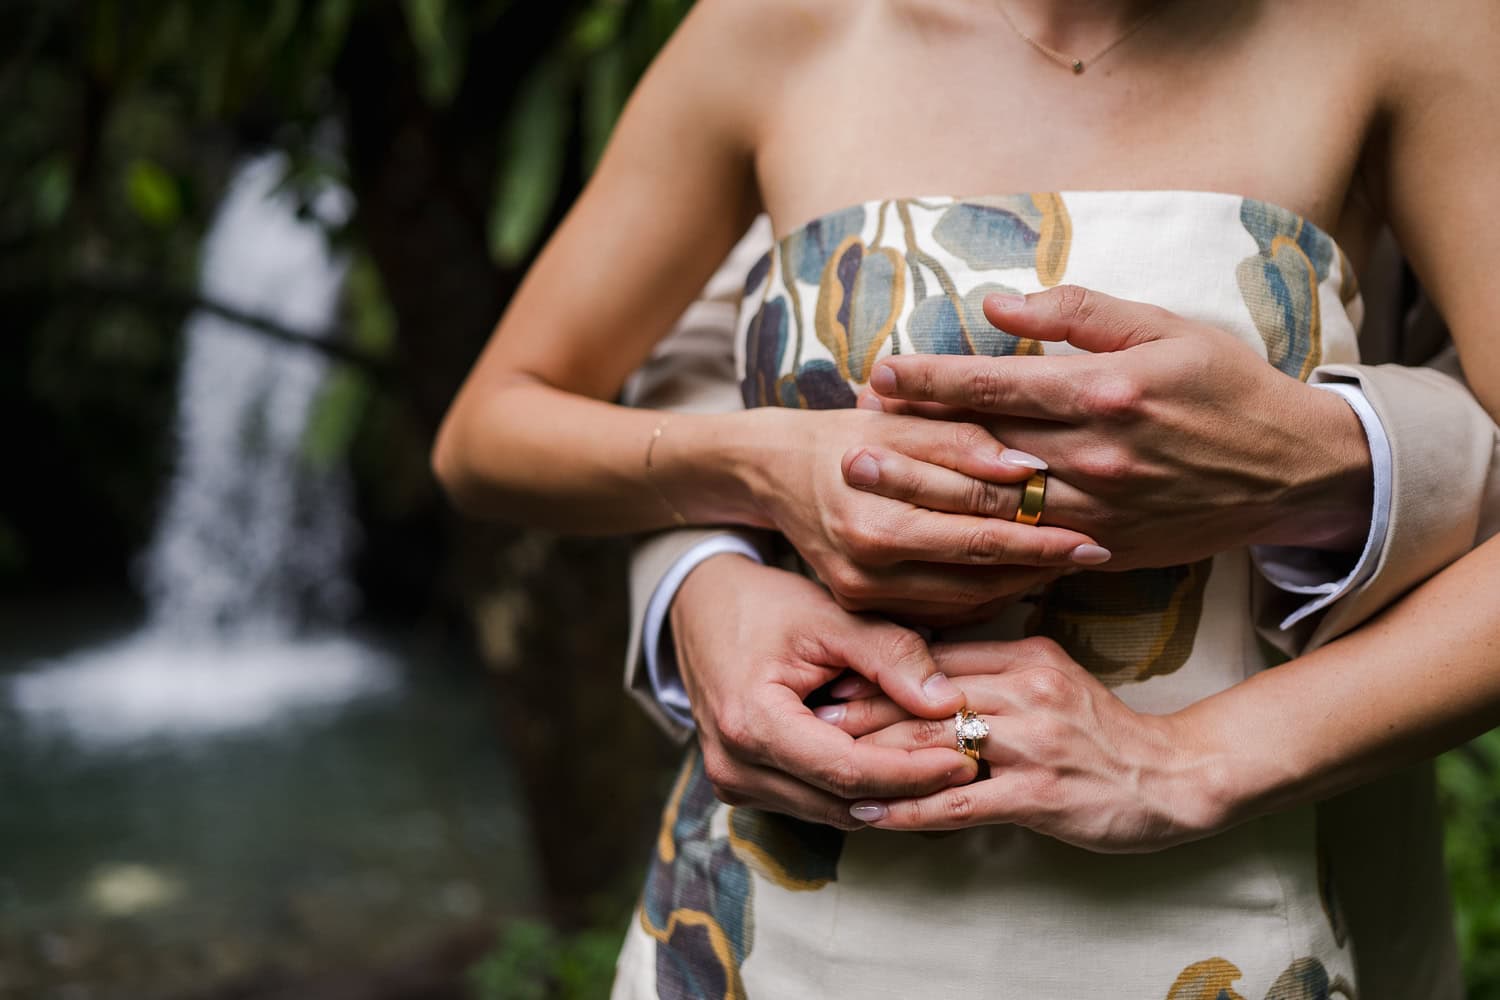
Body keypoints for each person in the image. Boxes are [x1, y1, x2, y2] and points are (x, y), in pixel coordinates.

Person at [431, 0, 1500, 995]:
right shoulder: (772, 29)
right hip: (779, 918)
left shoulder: (1408, 29)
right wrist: (760, 479)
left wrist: (1192, 761)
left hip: (1207, 916)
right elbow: (499, 427)